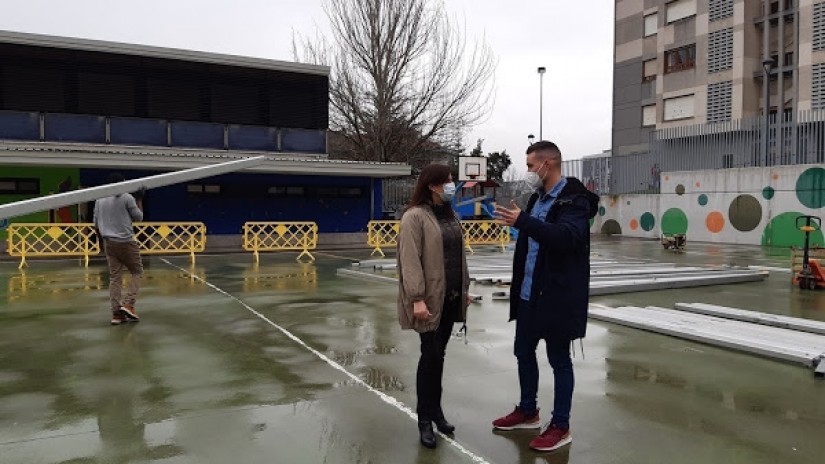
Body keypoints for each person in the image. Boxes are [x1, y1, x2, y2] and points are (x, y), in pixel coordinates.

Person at [492, 141, 599, 452]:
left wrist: (523, 222)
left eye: (529, 166)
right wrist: (522, 222)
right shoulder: (536, 199)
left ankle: (561, 425)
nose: (527, 172)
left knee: (559, 360)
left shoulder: (574, 201)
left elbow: (566, 239)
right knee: (523, 352)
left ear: (547, 164)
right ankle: (528, 411)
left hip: (556, 297)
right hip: (528, 295)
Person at [396, 163, 470, 449]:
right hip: (428, 301)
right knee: (429, 357)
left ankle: (437, 412)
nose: (452, 185)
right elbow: (410, 260)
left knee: (439, 357)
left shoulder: (449, 215)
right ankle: (424, 419)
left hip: (450, 297)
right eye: (448, 181)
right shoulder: (414, 217)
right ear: (433, 185)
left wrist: (464, 288)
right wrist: (416, 298)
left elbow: (459, 254)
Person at [94, 173, 144, 326]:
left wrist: (101, 243)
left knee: (115, 277)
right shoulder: (127, 197)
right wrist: (139, 200)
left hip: (108, 242)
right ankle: (128, 304)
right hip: (126, 241)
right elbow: (139, 217)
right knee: (137, 272)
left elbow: (95, 223)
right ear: (122, 183)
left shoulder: (99, 200)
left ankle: (116, 314)